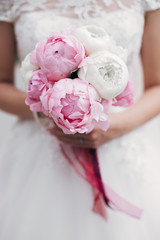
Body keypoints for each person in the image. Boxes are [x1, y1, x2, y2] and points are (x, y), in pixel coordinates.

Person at [0, 0, 160, 239]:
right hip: (41, 153)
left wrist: (114, 127)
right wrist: (55, 107)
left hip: (123, 147)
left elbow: (156, 85)